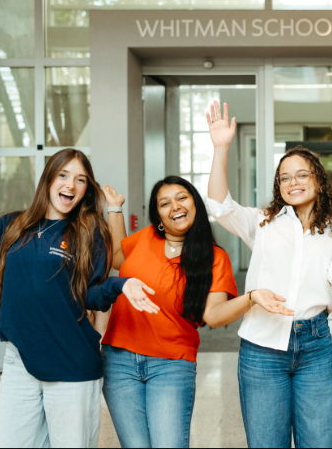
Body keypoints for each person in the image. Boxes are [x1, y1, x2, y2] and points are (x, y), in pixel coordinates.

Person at [205, 100, 332, 448]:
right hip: (262, 347)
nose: (293, 183)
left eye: (302, 175)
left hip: (315, 346)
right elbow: (219, 206)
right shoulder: (263, 222)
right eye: (285, 178)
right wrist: (221, 148)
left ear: (319, 181)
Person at [0, 150, 155, 449]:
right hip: (19, 360)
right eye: (64, 175)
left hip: (71, 362)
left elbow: (92, 294)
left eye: (80, 179)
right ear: (49, 178)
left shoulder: (88, 233)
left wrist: (121, 285)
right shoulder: (13, 226)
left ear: (85, 189)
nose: (70, 184)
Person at [99, 176, 294, 448]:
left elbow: (213, 316)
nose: (174, 206)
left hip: (171, 364)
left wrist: (251, 298)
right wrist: (115, 208)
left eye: (182, 197)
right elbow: (117, 257)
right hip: (119, 359)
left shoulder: (215, 257)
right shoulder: (145, 239)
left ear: (195, 204)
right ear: (158, 216)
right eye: (164, 203)